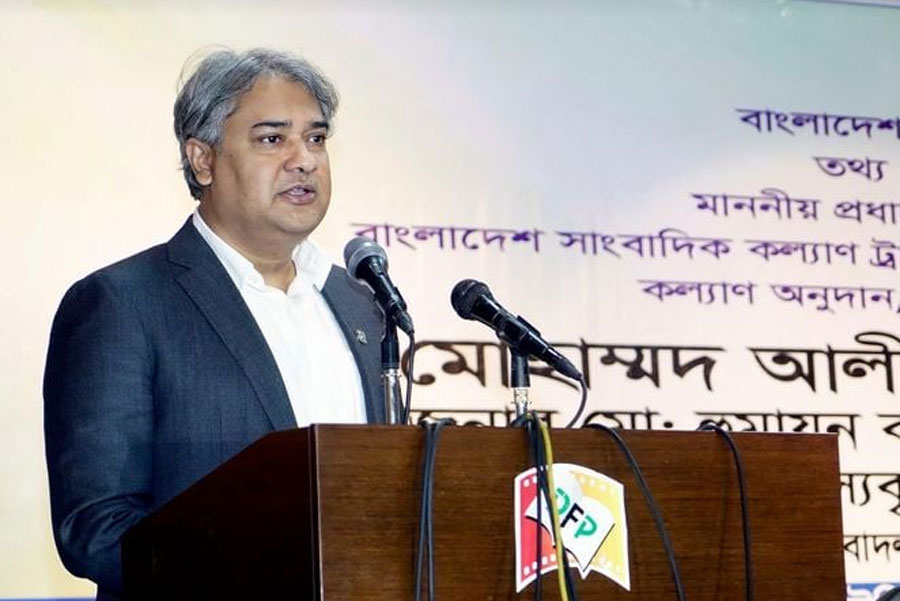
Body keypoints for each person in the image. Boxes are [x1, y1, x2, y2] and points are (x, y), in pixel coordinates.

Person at [43, 48, 385, 600]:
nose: (304, 160)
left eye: (316, 138)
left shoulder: (359, 301)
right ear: (202, 160)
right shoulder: (123, 303)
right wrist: (274, 568)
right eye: (272, 139)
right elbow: (98, 528)